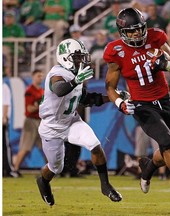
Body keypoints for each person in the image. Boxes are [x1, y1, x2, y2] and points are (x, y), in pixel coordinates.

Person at [104, 8, 170, 211]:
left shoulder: (156, 37)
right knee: (168, 144)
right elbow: (110, 88)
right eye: (132, 31)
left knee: (169, 150)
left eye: (140, 29)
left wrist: (166, 65)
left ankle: (148, 168)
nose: (137, 34)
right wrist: (120, 104)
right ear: (122, 32)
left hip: (165, 100)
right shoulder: (116, 51)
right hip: (142, 105)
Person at [36, 38, 122, 206]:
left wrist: (114, 99)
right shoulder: (56, 73)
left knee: (95, 145)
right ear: (65, 57)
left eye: (81, 57)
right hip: (51, 127)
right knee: (55, 168)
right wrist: (76, 80)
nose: (80, 61)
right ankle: (43, 182)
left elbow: (85, 98)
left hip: (71, 121)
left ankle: (105, 185)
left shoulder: (77, 75)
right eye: (76, 57)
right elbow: (59, 89)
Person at [14, 69, 45, 176]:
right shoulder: (29, 91)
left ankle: (50, 170)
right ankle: (15, 169)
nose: (40, 78)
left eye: (41, 76)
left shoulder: (42, 91)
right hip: (31, 121)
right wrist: (39, 106)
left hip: (41, 121)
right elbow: (29, 109)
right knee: (25, 147)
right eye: (38, 76)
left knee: (46, 147)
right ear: (33, 77)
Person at [2, 81, 16, 177]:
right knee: (4, 146)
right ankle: (7, 169)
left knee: (4, 146)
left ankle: (8, 169)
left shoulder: (3, 86)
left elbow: (5, 103)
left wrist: (4, 117)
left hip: (2, 121)